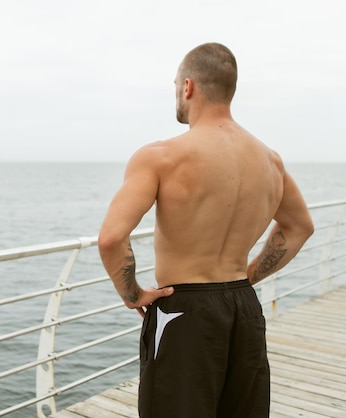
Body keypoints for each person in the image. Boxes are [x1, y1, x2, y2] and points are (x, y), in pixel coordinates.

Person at [98, 42, 314, 418]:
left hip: (183, 309)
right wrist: (248, 275)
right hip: (243, 305)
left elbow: (112, 238)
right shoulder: (270, 160)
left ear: (188, 86)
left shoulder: (161, 156)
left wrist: (133, 294)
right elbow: (299, 226)